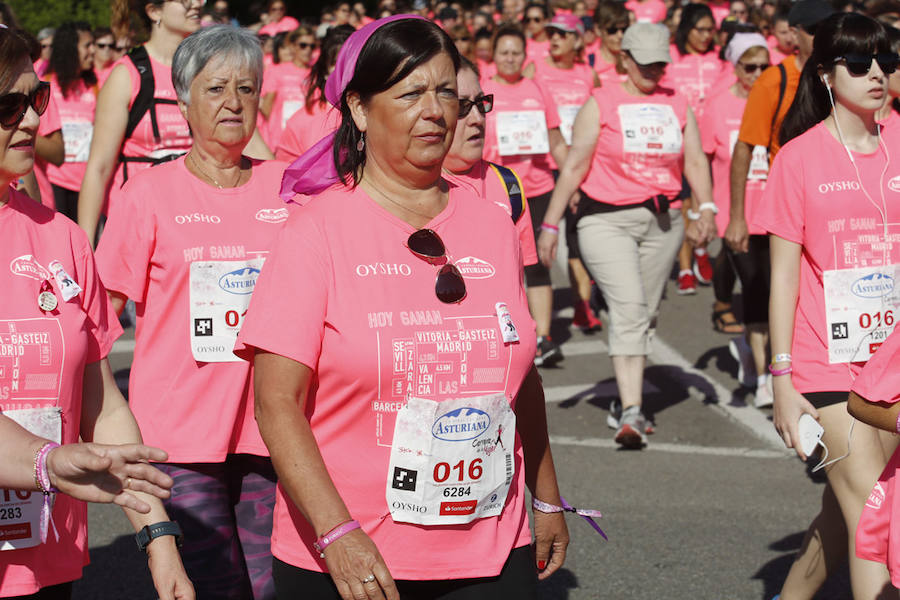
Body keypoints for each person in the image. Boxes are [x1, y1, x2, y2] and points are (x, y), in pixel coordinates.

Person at [237, 15, 568, 599]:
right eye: (412, 93)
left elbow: (523, 376)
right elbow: (275, 403)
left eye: (447, 92)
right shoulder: (314, 233)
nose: (436, 110)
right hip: (353, 560)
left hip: (492, 546)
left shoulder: (493, 222)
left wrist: (545, 495)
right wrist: (337, 532)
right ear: (360, 110)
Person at [0, 27, 193, 600]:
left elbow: (102, 405)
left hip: (45, 555)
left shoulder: (60, 239)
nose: (35, 121)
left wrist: (159, 539)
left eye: (36, 99)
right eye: (11, 106)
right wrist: (46, 461)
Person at [94, 26, 286, 600]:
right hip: (179, 439)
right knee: (215, 586)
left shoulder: (289, 191)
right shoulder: (146, 196)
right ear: (182, 99)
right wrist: (102, 415)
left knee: (268, 586)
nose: (233, 103)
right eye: (216, 88)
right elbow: (100, 317)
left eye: (247, 89)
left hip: (272, 430)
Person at [759, 12, 900, 599]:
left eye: (886, 62)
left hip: (891, 363)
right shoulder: (798, 158)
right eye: (859, 63)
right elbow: (784, 277)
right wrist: (783, 379)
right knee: (874, 516)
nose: (876, 74)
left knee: (846, 519)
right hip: (828, 367)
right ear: (825, 75)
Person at [537, 22, 716, 449]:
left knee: (645, 311)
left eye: (660, 64)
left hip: (663, 222)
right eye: (645, 63)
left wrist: (706, 207)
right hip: (605, 220)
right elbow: (576, 164)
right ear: (624, 59)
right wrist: (549, 225)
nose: (654, 71)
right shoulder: (602, 102)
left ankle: (625, 396)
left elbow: (693, 160)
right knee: (632, 308)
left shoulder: (678, 103)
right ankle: (632, 411)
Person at [78, 0, 201, 245]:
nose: (197, 4)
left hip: (193, 218)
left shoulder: (205, 69)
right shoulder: (127, 74)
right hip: (134, 222)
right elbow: (99, 167)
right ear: (154, 11)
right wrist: (86, 248)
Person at [482, 23, 568, 366]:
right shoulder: (485, 90)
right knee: (503, 265)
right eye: (503, 52)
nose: (510, 58)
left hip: (539, 186)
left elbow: (557, 139)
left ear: (525, 55)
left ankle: (544, 336)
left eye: (516, 52)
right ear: (494, 54)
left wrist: (574, 183)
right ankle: (507, 334)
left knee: (538, 263)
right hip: (500, 189)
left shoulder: (537, 89)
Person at [726, 0, 834, 261]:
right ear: (794, 33)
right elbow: (745, 147)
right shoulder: (773, 81)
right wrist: (737, 218)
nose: (821, 36)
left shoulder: (844, 78)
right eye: (813, 29)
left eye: (827, 29)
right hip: (791, 207)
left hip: (834, 202)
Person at [700, 33, 772, 401]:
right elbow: (701, 161)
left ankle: (748, 347)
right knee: (756, 291)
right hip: (737, 217)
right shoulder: (717, 106)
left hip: (776, 214)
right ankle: (764, 377)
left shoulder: (779, 104)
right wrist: (704, 211)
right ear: (735, 66)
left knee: (778, 294)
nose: (758, 73)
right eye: (750, 66)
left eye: (765, 66)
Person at [528, 13, 603, 333]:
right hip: (544, 167)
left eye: (562, 34)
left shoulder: (589, 75)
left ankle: (581, 305)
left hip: (580, 166)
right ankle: (532, 306)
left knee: (577, 237)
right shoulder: (535, 71)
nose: (555, 39)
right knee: (535, 240)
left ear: (578, 40)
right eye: (552, 33)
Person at [444, 57, 538, 272]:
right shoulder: (410, 187)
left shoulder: (508, 184)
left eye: (480, 103)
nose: (477, 118)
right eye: (462, 107)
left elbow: (519, 280)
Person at [663, 3, 727, 295]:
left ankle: (700, 248)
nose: (704, 35)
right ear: (686, 28)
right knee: (684, 206)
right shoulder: (671, 57)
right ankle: (686, 266)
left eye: (709, 30)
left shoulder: (719, 59)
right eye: (699, 29)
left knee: (704, 205)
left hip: (712, 145)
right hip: (680, 144)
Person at [276, 24, 354, 163]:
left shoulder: (380, 113)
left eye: (352, 62)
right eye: (336, 63)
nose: (346, 70)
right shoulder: (300, 122)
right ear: (324, 71)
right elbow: (286, 176)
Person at [44, 22, 96, 223]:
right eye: (87, 45)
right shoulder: (46, 85)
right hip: (54, 182)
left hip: (88, 184)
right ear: (69, 49)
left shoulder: (96, 86)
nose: (92, 51)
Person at [261, 26, 316, 150]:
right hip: (278, 142)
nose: (308, 50)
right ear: (293, 46)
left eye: (312, 46)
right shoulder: (276, 71)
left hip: (305, 142)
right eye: (303, 45)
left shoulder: (316, 75)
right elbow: (266, 107)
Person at [590, 2, 629, 86]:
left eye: (624, 29)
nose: (620, 35)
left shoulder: (634, 63)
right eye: (612, 30)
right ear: (598, 30)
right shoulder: (589, 62)